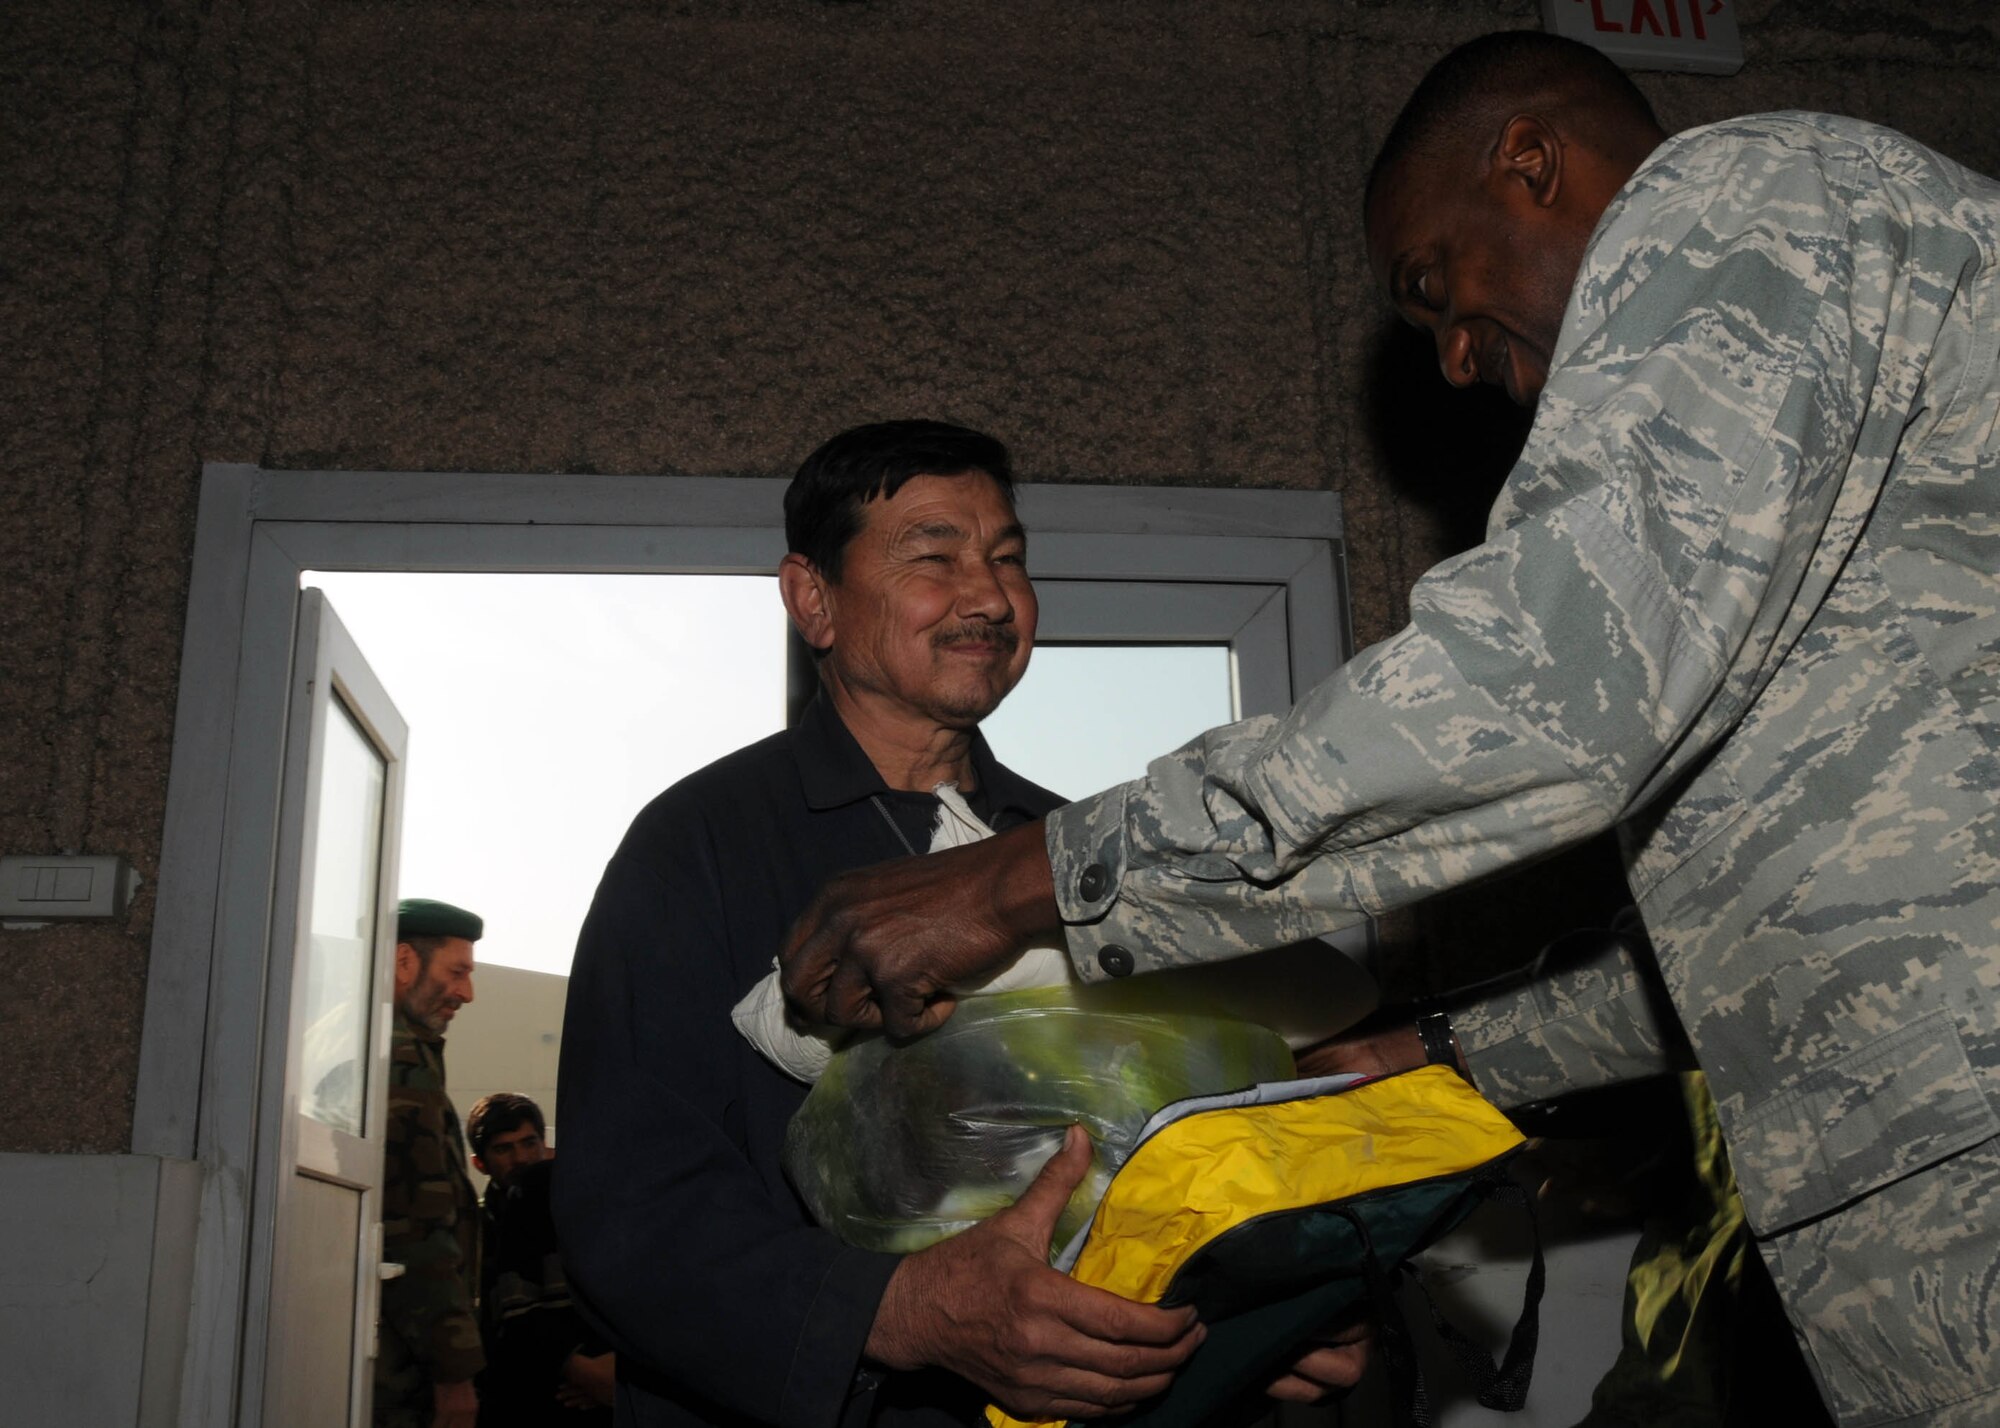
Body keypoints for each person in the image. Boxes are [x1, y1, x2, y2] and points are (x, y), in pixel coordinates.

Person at [777, 35, 2000, 1428]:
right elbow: (1795, 922)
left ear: (1529, 162)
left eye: (1436, 292)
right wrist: (1447, 1054)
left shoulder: (1745, 201)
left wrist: (1022, 880)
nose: (1460, 360)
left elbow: (1545, 686)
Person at [553, 420, 1358, 1428]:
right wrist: (899, 1314)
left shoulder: (1065, 856)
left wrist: (1267, 1307)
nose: (989, 597)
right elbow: (630, 1213)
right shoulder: (698, 846)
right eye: (934, 556)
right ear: (813, 598)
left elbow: (1192, 1138)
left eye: (1008, 559)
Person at [379, 898, 485, 1428]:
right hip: (399, 1375)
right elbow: (417, 1229)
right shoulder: (399, 1057)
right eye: (457, 972)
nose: (466, 993)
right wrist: (455, 1375)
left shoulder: (352, 1039)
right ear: (403, 962)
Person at [467, 1093, 614, 1427]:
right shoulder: (474, 1229)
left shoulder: (584, 1207)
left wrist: (607, 1377)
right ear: (480, 1162)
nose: (521, 1157)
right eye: (504, 1148)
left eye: (529, 1142)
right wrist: (574, 1368)